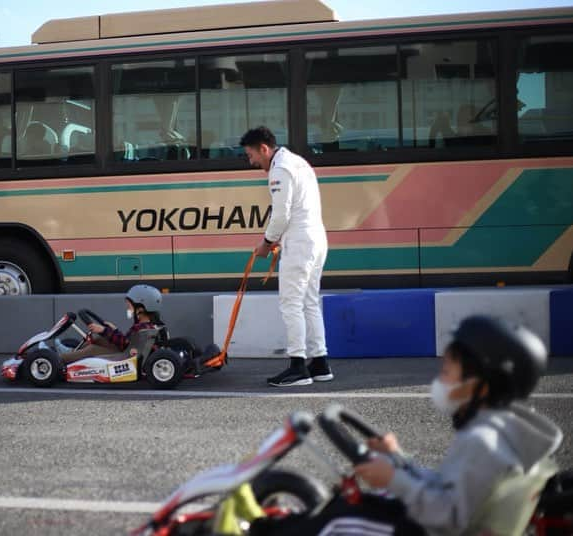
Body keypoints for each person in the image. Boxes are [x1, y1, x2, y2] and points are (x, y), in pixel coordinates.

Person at [244, 315, 562, 535]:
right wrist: (400, 461)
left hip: (429, 529)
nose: (440, 380)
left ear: (483, 383)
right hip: (432, 522)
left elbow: (448, 517)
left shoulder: (483, 441)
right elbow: (447, 489)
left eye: (448, 372)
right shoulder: (499, 432)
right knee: (348, 508)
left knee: (336, 522)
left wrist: (393, 477)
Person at [240, 126, 332, 387]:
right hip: (317, 238)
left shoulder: (280, 169)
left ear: (264, 149)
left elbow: (281, 214)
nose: (252, 162)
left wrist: (266, 243)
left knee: (290, 304)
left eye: (251, 155)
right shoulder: (299, 162)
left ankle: (297, 367)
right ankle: (320, 363)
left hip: (300, 243)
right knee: (310, 302)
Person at [59, 284, 164, 363]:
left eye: (130, 306)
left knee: (93, 349)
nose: (128, 309)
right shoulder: (148, 325)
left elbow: (125, 344)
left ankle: (60, 359)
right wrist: (114, 330)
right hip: (126, 351)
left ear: (140, 309)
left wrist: (104, 330)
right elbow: (128, 342)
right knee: (96, 338)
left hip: (124, 357)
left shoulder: (142, 328)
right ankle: (70, 352)